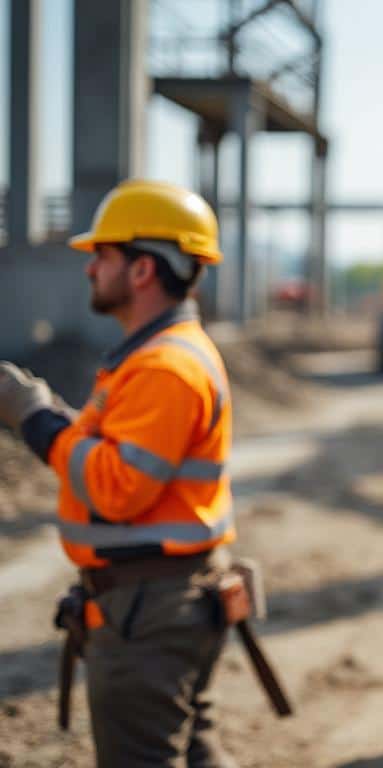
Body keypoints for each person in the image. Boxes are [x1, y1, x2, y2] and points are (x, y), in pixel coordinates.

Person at [0, 179, 244, 767]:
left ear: (141, 270)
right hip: (162, 601)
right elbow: (107, 449)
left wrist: (31, 418)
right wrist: (53, 415)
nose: (88, 270)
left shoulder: (165, 367)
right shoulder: (153, 358)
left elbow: (116, 488)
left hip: (150, 612)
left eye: (102, 256)